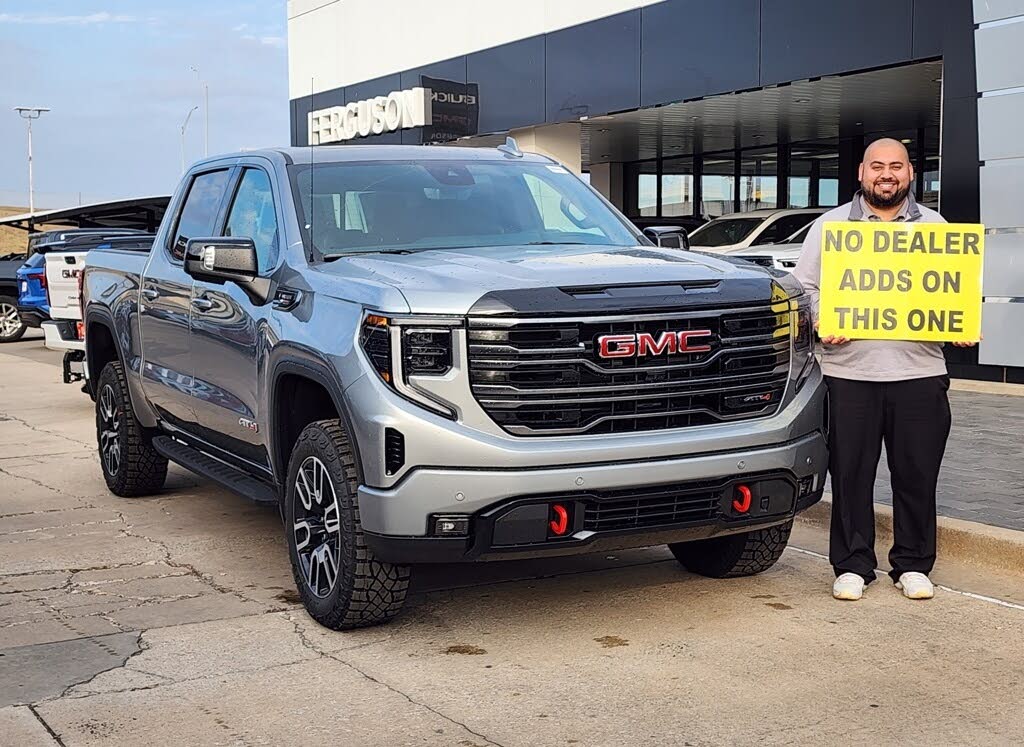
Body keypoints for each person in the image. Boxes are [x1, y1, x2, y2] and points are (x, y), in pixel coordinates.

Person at [792, 138, 977, 602]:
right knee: (851, 475)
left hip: (919, 373)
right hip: (848, 374)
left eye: (896, 166)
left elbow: (953, 289)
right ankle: (853, 565)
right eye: (878, 166)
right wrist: (821, 320)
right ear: (862, 172)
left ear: (911, 174)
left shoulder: (935, 227)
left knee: (918, 475)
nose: (887, 174)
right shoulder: (831, 227)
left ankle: (913, 564)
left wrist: (959, 321)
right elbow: (804, 289)